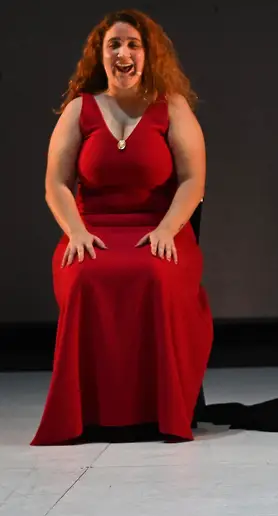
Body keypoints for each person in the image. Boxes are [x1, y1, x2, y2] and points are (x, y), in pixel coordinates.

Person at [34, 9, 213, 446]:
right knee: (84, 277)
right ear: (100, 55)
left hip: (159, 227)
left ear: (148, 55)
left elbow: (193, 181)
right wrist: (76, 232)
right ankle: (87, 416)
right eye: (114, 44)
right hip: (92, 228)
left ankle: (160, 412)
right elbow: (56, 184)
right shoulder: (80, 109)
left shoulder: (171, 107)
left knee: (154, 274)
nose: (123, 52)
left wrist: (167, 230)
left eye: (133, 44)